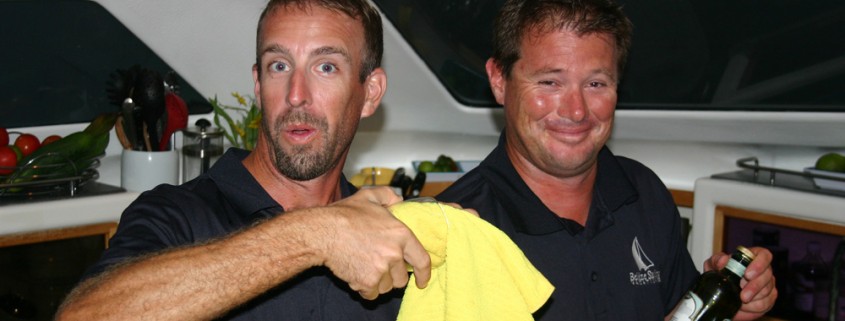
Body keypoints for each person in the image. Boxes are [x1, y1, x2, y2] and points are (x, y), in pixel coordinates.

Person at [55, 1, 432, 320]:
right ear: (258, 84)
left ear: (370, 93)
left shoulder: (387, 239)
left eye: (326, 67)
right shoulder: (177, 214)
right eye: (279, 66)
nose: (296, 95)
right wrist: (317, 235)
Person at [437, 0, 777, 320]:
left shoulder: (644, 193)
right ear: (499, 81)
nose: (576, 110)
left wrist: (733, 308)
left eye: (596, 83)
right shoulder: (451, 228)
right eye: (550, 82)